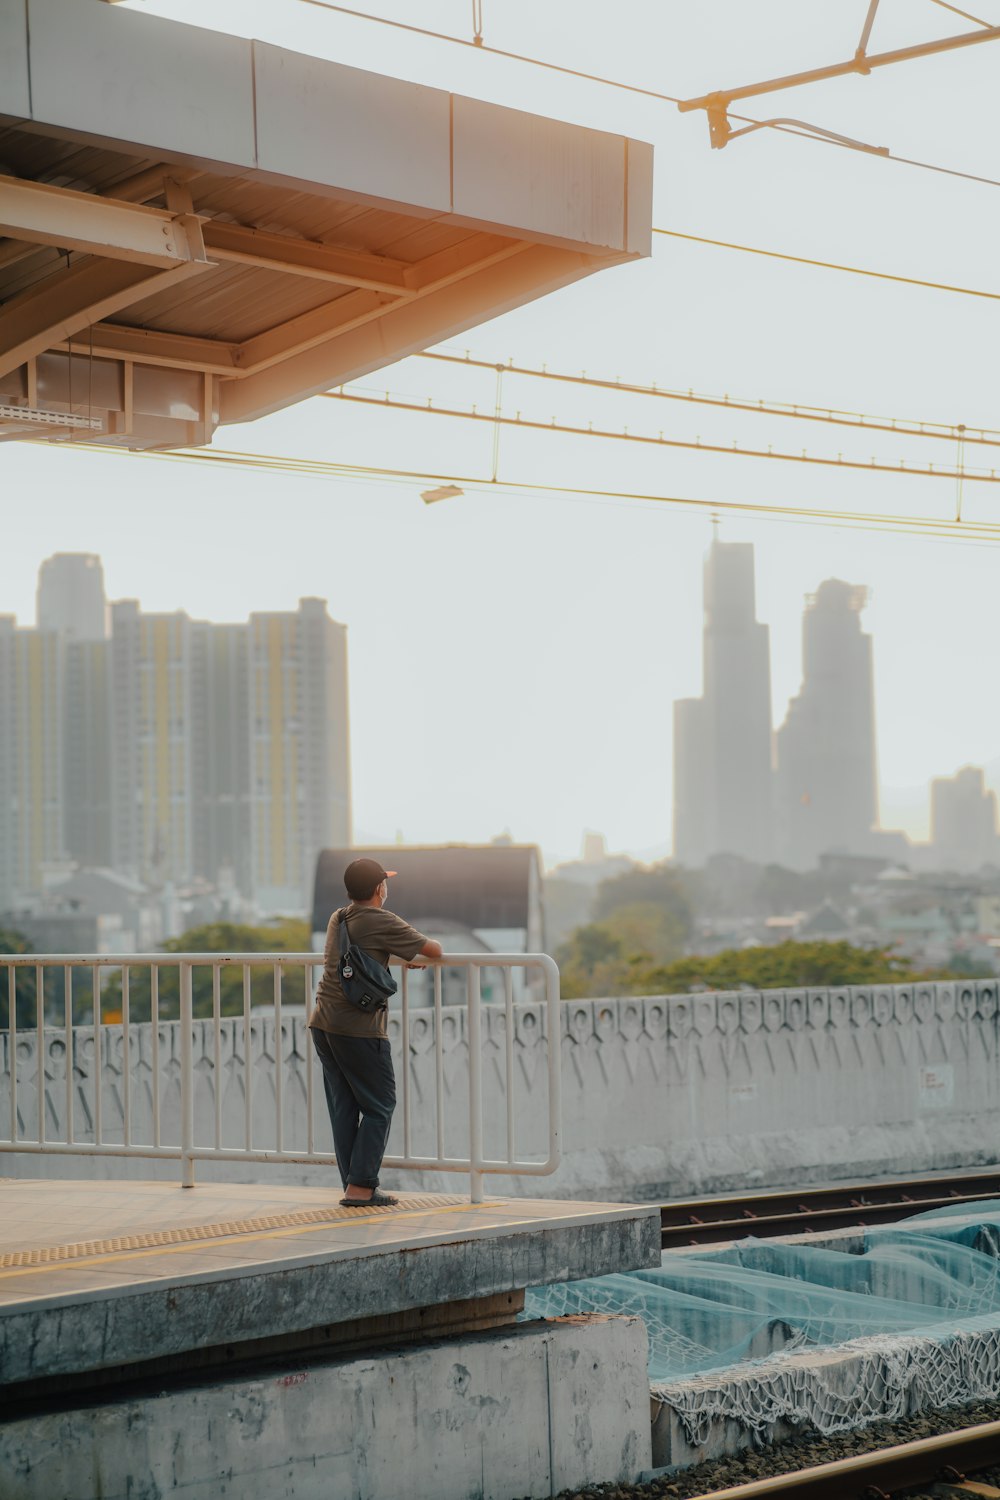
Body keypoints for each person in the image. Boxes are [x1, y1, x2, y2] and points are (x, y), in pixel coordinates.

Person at [308, 858, 442, 1207]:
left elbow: (362, 954)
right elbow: (435, 950)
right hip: (358, 1029)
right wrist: (410, 951)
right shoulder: (381, 918)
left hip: (323, 1021)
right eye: (386, 882)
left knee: (344, 1108)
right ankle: (361, 1188)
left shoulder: (339, 917)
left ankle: (353, 1185)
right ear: (380, 888)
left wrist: (397, 954)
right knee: (381, 1105)